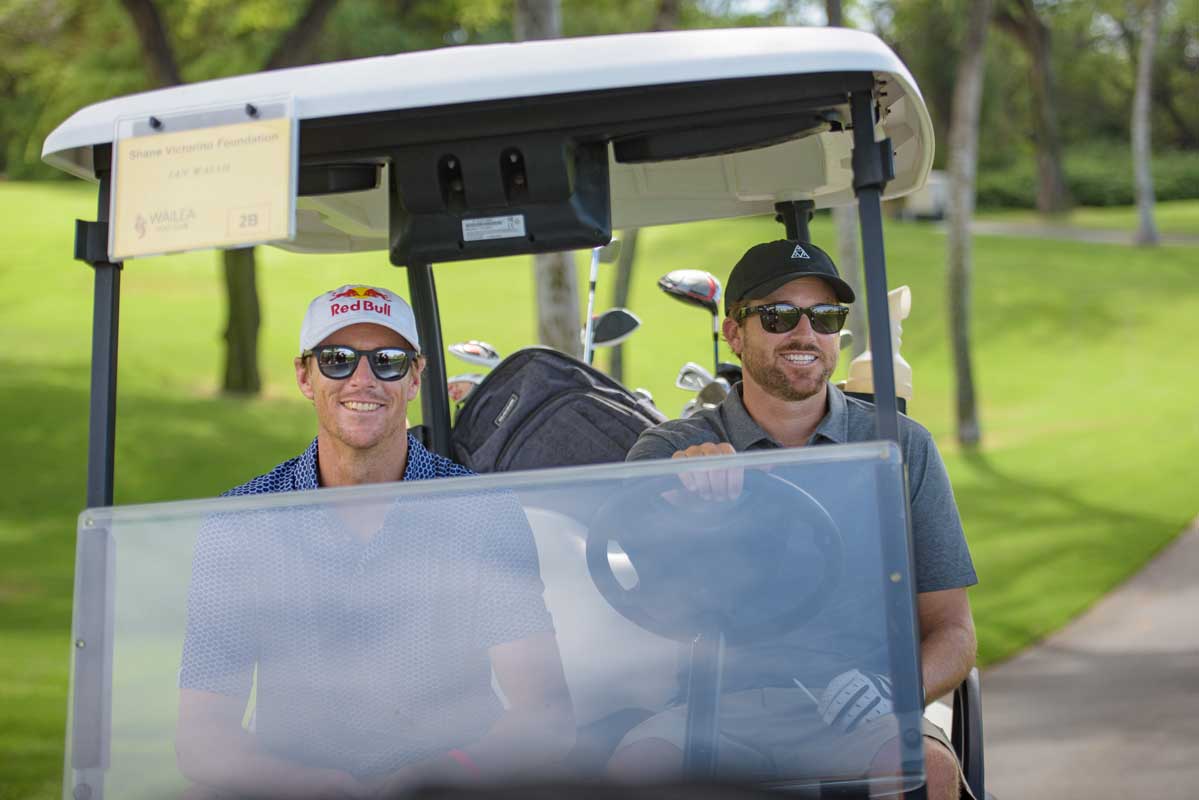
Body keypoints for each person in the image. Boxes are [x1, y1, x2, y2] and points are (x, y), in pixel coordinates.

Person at [609, 242, 978, 800]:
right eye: (779, 316)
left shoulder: (899, 445)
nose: (805, 335)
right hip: (710, 706)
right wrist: (678, 503)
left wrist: (896, 689)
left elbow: (954, 630)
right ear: (734, 334)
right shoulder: (673, 450)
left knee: (925, 769)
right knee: (636, 770)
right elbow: (645, 588)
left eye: (825, 318)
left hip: (858, 706)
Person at [175, 284, 575, 799]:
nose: (363, 379)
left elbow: (544, 711)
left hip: (454, 784)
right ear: (304, 375)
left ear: (414, 378)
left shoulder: (479, 509)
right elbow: (203, 739)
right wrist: (316, 788)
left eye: (387, 361)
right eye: (337, 359)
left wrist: (432, 782)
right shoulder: (242, 521)